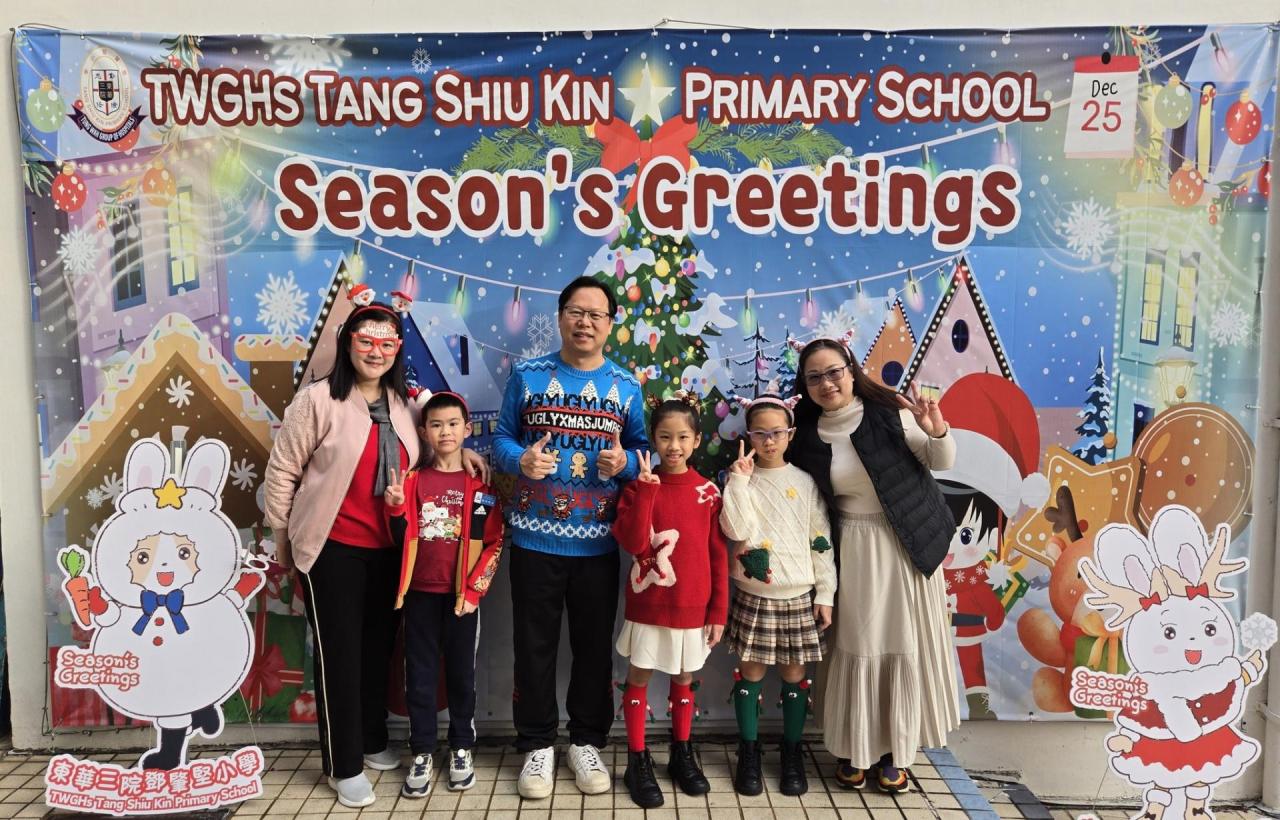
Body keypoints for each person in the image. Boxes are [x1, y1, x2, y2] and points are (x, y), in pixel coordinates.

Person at [263, 296, 486, 809]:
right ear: (348, 344)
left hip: (392, 550)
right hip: (332, 548)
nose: (376, 351)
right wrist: (284, 543)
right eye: (366, 341)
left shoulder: (406, 402)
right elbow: (282, 471)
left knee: (378, 649)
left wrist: (465, 452)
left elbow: (436, 441)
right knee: (340, 656)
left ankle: (370, 738)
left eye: (387, 343)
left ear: (398, 350)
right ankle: (343, 763)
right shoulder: (318, 401)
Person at [492, 276, 649, 800]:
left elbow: (643, 453)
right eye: (576, 312)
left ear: (610, 324)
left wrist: (626, 463)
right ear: (561, 317)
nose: (585, 322)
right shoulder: (528, 376)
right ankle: (537, 744)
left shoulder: (626, 385)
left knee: (593, 648)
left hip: (598, 543)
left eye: (596, 315)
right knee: (532, 646)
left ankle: (586, 741)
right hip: (534, 539)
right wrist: (521, 460)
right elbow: (502, 438)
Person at [787, 338, 960, 793]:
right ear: (805, 385)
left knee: (900, 643)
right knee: (856, 643)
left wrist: (935, 429)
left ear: (851, 370)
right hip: (850, 548)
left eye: (834, 372)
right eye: (814, 377)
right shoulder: (805, 436)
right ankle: (854, 748)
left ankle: (892, 753)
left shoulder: (889, 412)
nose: (827, 383)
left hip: (905, 544)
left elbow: (940, 461)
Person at [383, 391, 505, 799]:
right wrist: (395, 508)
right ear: (424, 432)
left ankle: (461, 748)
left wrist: (473, 591)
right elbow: (397, 535)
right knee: (418, 677)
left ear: (467, 429)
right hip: (418, 596)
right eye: (436, 425)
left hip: (461, 601)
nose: (445, 432)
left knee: (461, 677)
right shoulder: (413, 481)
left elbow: (493, 543)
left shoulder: (480, 487)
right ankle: (421, 751)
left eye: (453, 424)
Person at [611, 395, 729, 809]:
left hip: (692, 607)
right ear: (652, 440)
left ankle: (681, 752)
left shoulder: (708, 493)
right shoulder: (636, 488)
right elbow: (633, 542)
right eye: (664, 437)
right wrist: (646, 491)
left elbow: (718, 555)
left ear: (696, 440)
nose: (673, 446)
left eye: (682, 437)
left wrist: (718, 611)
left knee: (683, 677)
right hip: (649, 605)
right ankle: (637, 759)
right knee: (638, 675)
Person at [720, 395, 836, 797]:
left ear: (790, 434)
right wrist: (738, 482)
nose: (768, 441)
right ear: (748, 436)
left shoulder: (804, 482)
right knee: (750, 672)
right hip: (753, 594)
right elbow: (735, 529)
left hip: (798, 595)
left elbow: (821, 540)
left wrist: (826, 592)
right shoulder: (740, 480)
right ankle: (749, 752)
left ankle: (791, 752)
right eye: (760, 433)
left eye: (776, 433)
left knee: (794, 674)